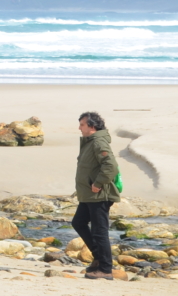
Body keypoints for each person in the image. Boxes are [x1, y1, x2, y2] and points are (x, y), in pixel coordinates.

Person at [73, 111, 121, 280]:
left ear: (92, 126)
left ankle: (106, 269)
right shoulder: (90, 141)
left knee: (99, 232)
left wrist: (98, 183)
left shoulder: (98, 142)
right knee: (78, 222)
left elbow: (111, 166)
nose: (79, 128)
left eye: (82, 125)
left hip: (99, 194)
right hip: (89, 194)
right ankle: (99, 258)